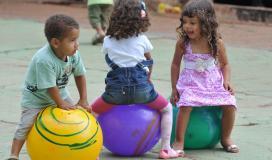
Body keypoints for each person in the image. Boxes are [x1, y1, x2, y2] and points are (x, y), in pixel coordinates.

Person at [91, 0, 180, 159]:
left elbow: (109, 58)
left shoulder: (107, 39)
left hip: (115, 93)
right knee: (166, 108)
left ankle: (93, 151)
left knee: (93, 112)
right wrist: (148, 79)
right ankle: (166, 149)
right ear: (140, 19)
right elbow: (149, 61)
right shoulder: (142, 39)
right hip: (142, 90)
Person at [6, 14, 90, 160]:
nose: (77, 45)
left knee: (80, 118)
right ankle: (14, 154)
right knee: (25, 125)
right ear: (56, 43)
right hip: (36, 99)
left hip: (60, 93)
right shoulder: (43, 60)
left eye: (76, 39)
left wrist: (83, 99)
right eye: (72, 40)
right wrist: (61, 104)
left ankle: (88, 151)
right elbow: (50, 87)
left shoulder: (74, 54)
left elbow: (80, 75)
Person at [171, 0, 239, 154]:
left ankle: (226, 138)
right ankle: (179, 141)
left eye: (192, 23)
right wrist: (174, 87)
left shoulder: (216, 43)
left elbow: (225, 65)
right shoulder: (183, 43)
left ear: (206, 23)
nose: (187, 26)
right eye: (185, 22)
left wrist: (226, 81)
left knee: (230, 104)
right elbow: (175, 65)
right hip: (190, 83)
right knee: (186, 105)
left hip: (212, 82)